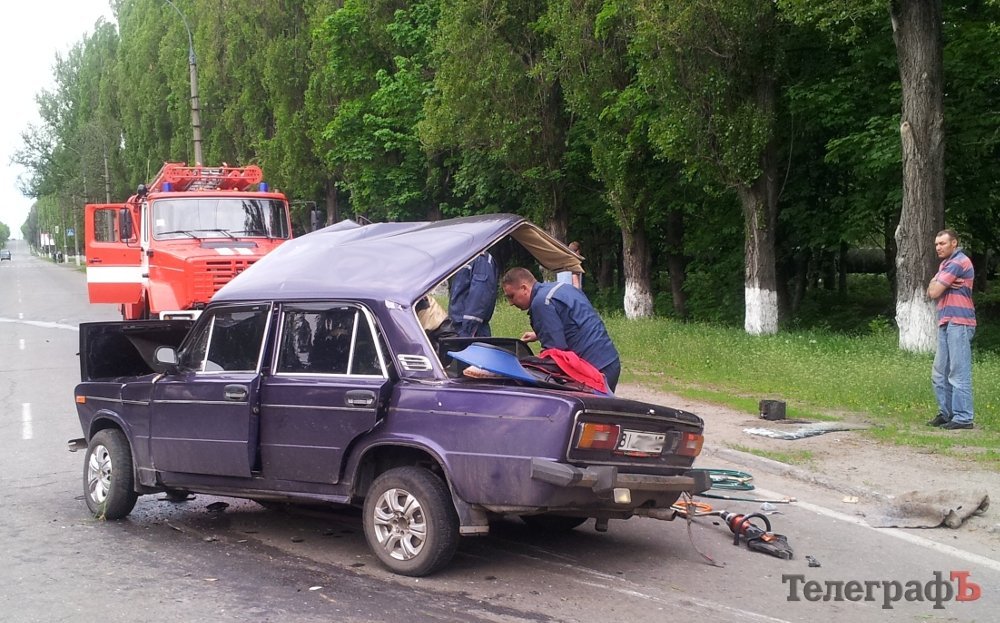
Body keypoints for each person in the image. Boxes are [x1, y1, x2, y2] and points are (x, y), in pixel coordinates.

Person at [501, 267, 621, 391]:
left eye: (511, 296)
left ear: (524, 288)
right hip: (610, 360)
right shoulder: (562, 288)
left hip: (595, 371)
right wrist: (538, 334)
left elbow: (556, 354)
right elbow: (576, 321)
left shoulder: (541, 303)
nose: (511, 303)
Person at [926, 229, 976, 430]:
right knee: (940, 373)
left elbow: (935, 290)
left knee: (957, 371)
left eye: (942, 244)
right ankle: (946, 414)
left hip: (960, 321)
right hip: (946, 321)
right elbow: (932, 289)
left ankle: (963, 417)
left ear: (954, 243)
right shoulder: (945, 264)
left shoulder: (957, 262)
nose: (938, 247)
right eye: (936, 244)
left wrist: (938, 283)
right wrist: (937, 283)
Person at [449, 252, 499, 337]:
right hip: (458, 328)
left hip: (469, 330)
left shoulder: (481, 260)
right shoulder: (466, 257)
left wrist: (468, 332)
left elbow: (479, 296)